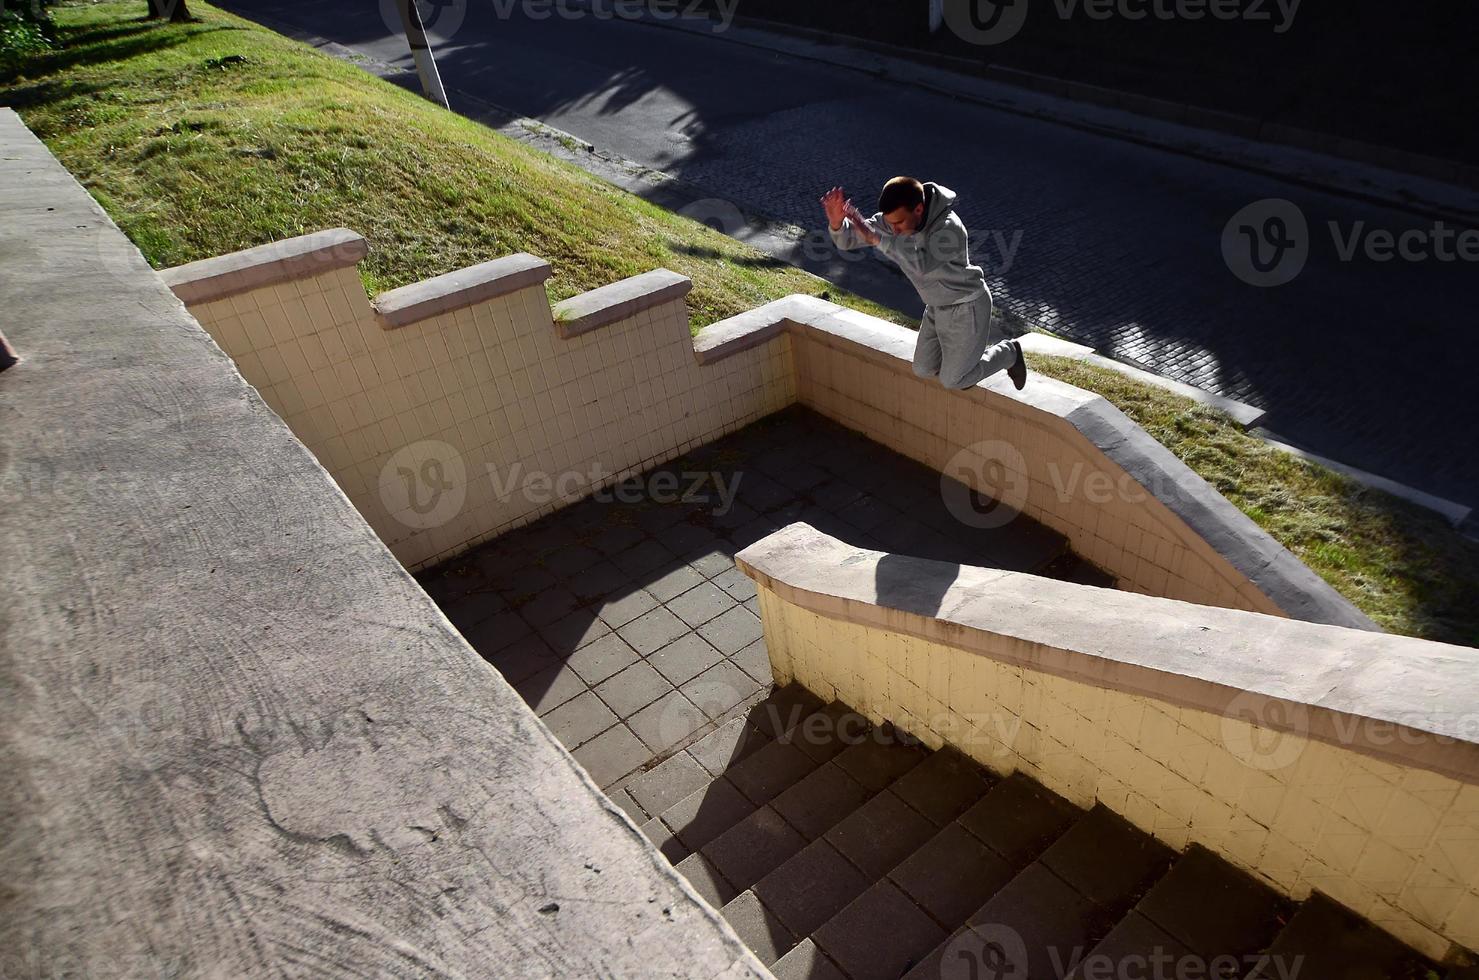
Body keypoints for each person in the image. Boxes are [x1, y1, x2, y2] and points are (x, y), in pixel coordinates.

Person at [821, 177, 1026, 391]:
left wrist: (878, 239)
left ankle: (1009, 352)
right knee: (923, 369)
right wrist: (837, 223)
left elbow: (923, 265)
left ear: (918, 209)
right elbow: (849, 239)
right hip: (936, 308)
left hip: (967, 306)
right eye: (891, 225)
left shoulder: (949, 228)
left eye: (899, 224)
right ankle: (959, 362)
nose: (895, 230)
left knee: (954, 380)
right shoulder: (894, 220)